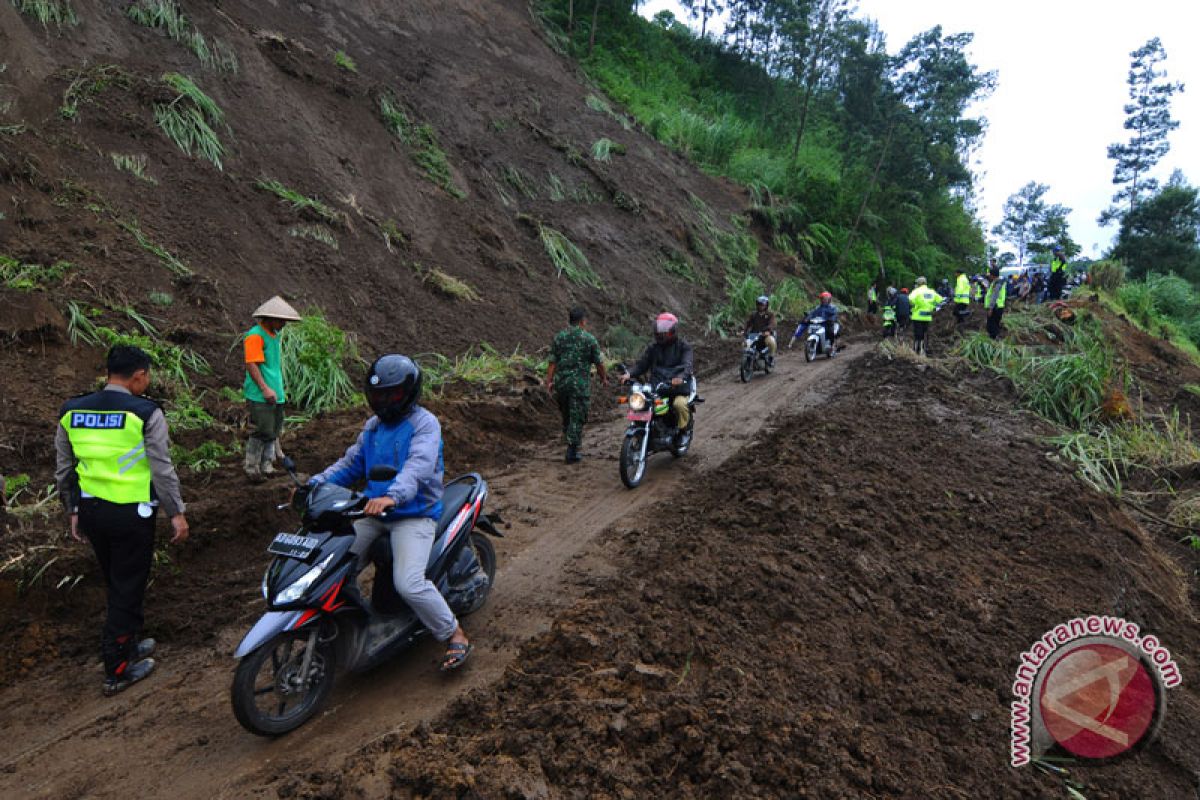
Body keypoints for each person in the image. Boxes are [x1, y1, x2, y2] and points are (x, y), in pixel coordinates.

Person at [308, 354, 473, 672]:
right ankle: (355, 624)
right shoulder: (373, 427)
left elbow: (418, 466)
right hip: (373, 513)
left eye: (391, 394)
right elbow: (350, 463)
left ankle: (455, 634)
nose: (383, 401)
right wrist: (314, 485)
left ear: (409, 393)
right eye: (378, 394)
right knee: (331, 566)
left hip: (414, 514)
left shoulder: (424, 424)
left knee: (409, 583)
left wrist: (392, 496)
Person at [55, 345, 190, 696]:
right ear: (138, 376)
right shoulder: (146, 413)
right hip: (130, 514)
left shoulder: (72, 410)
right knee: (128, 585)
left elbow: (65, 469)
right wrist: (176, 512)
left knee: (118, 581)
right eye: (147, 377)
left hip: (92, 513)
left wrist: (72, 510)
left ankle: (128, 644)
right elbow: (162, 468)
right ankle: (116, 669)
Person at [242, 296, 302, 481]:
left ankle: (267, 465)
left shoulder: (273, 336)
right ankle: (251, 467)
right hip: (260, 394)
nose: (283, 323)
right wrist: (265, 388)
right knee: (262, 430)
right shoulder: (255, 336)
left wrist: (277, 389)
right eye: (280, 320)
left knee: (273, 431)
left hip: (275, 392)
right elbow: (252, 365)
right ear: (269, 318)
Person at [545, 306, 608, 464]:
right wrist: (604, 378)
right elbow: (599, 363)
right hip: (579, 385)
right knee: (578, 416)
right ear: (582, 321)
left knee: (567, 413)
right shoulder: (589, 339)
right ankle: (572, 451)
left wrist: (549, 381)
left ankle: (567, 436)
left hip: (562, 384)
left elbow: (552, 361)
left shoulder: (559, 337)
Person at [622, 313, 694, 442]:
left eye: (665, 329)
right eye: (660, 329)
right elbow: (641, 365)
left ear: (673, 330)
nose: (662, 333)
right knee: (642, 402)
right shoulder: (653, 348)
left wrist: (680, 377)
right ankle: (647, 429)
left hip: (677, 387)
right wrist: (629, 374)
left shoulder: (684, 347)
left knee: (679, 404)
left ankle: (683, 432)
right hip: (657, 387)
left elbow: (687, 366)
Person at [909, 276, 944, 355]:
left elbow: (910, 299)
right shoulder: (931, 291)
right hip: (927, 317)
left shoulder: (916, 291)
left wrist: (915, 305)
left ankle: (916, 350)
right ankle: (924, 349)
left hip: (917, 316)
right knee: (925, 333)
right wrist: (933, 307)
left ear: (918, 283)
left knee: (918, 335)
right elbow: (941, 300)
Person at [743, 295, 777, 366]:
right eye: (759, 304)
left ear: (766, 305)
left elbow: (772, 324)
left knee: (771, 342)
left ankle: (771, 357)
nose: (760, 306)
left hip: (765, 335)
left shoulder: (770, 314)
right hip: (754, 334)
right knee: (745, 344)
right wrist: (744, 330)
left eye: (762, 304)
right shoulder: (753, 314)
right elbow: (747, 323)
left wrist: (768, 330)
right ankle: (749, 360)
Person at [985, 265, 1008, 339]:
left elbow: (994, 295)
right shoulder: (998, 282)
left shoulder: (997, 283)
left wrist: (990, 308)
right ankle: (995, 338)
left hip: (995, 307)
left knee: (991, 325)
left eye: (990, 275)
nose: (989, 277)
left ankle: (994, 339)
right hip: (998, 306)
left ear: (993, 275)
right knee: (995, 324)